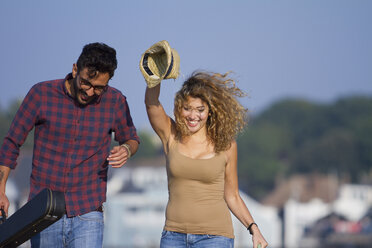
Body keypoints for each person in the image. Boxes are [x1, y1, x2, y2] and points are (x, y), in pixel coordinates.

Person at [0, 42, 140, 248]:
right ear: (75, 69)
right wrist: (1, 190)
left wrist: (126, 149)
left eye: (99, 88)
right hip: (43, 211)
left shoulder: (115, 101)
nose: (90, 92)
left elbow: (131, 138)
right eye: (86, 83)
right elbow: (12, 142)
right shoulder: (41, 94)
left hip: (88, 211)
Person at [145, 71, 268, 248]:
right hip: (173, 236)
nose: (193, 116)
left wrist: (254, 229)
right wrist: (153, 78)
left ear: (210, 111)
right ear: (180, 108)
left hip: (215, 238)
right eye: (187, 108)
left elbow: (232, 195)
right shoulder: (171, 134)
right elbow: (152, 104)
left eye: (200, 110)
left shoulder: (226, 145)